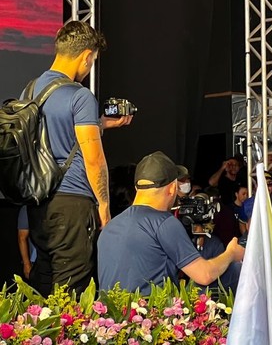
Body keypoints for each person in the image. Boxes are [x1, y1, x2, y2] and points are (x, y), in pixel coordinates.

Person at [26, 21, 132, 296]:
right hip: (72, 204)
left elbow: (56, 135)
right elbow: (94, 159)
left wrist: (101, 124)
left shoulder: (32, 90)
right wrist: (104, 205)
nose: (90, 67)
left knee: (44, 284)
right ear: (86, 55)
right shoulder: (79, 95)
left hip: (38, 204)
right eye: (93, 60)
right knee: (72, 291)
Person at [98, 152, 244, 294]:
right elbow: (204, 275)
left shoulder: (110, 226)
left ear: (137, 188)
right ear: (173, 188)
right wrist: (231, 253)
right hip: (153, 314)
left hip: (112, 315)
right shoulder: (164, 222)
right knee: (234, 271)